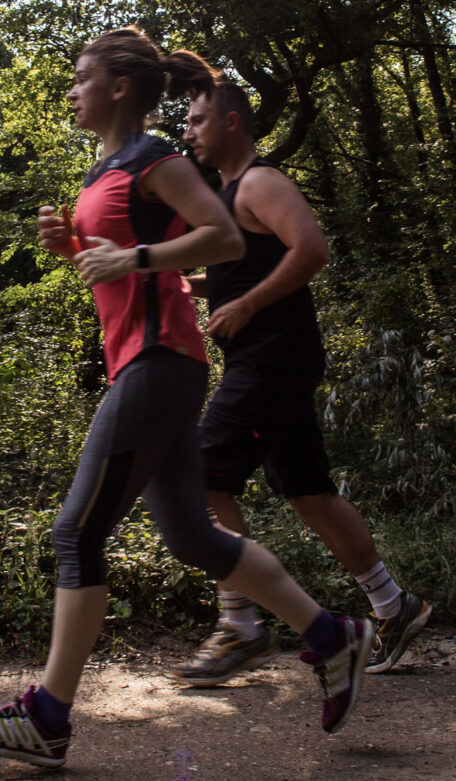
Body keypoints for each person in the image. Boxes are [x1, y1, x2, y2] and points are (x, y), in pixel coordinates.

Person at [0, 28, 372, 770]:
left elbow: (225, 240)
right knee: (193, 538)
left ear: (119, 87)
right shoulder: (103, 170)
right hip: (142, 364)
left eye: (82, 77)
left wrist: (136, 255)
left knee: (75, 534)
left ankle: (46, 715)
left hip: (160, 360)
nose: (72, 89)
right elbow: (116, 263)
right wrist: (72, 249)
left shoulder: (158, 160)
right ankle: (331, 635)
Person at [172, 82, 431, 688]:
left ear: (232, 122)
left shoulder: (261, 182)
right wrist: (192, 287)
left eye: (197, 121)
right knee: (308, 490)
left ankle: (239, 622)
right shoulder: (231, 195)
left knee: (202, 472)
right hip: (268, 362)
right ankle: (396, 607)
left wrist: (248, 306)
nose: (188, 132)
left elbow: (311, 249)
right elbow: (246, 271)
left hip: (273, 360)